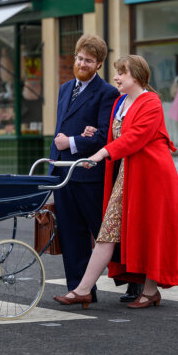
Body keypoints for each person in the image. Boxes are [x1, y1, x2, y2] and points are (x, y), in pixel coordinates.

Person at [53, 54, 178, 309]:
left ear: (136, 76)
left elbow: (135, 137)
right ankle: (82, 289)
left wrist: (100, 154)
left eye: (121, 73)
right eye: (117, 73)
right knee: (108, 231)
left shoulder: (151, 101)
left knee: (151, 230)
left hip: (153, 178)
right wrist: (90, 134)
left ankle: (150, 291)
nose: (115, 77)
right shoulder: (119, 103)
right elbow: (112, 135)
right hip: (128, 175)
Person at [50, 34, 138, 302]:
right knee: (71, 233)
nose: (82, 63)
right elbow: (59, 130)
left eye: (89, 60)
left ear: (99, 64)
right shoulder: (65, 89)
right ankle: (81, 289)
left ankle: (133, 281)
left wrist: (72, 142)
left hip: (92, 175)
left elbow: (106, 136)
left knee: (105, 231)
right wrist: (54, 163)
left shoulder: (108, 93)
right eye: (79, 58)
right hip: (63, 173)